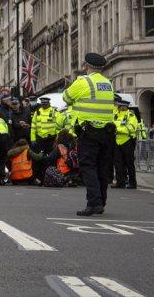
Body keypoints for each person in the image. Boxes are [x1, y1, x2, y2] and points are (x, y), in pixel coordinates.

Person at [63, 52, 116, 216]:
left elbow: (66, 97)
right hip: (107, 133)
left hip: (90, 132)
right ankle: (100, 202)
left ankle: (93, 203)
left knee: (88, 166)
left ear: (86, 66)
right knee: (102, 168)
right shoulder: (108, 83)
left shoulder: (83, 81)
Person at [112, 97, 139, 189]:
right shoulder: (116, 115)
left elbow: (131, 128)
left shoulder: (130, 115)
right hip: (117, 141)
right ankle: (120, 182)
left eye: (119, 106)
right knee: (118, 163)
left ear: (125, 106)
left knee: (129, 163)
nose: (118, 107)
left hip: (127, 141)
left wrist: (117, 130)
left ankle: (132, 183)